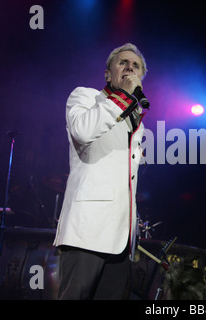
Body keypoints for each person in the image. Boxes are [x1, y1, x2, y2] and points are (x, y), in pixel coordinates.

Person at [53, 43, 147, 300]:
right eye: (122, 63)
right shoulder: (85, 96)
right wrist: (123, 98)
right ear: (108, 74)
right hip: (88, 229)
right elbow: (83, 131)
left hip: (122, 238)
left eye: (135, 66)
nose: (129, 67)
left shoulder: (135, 118)